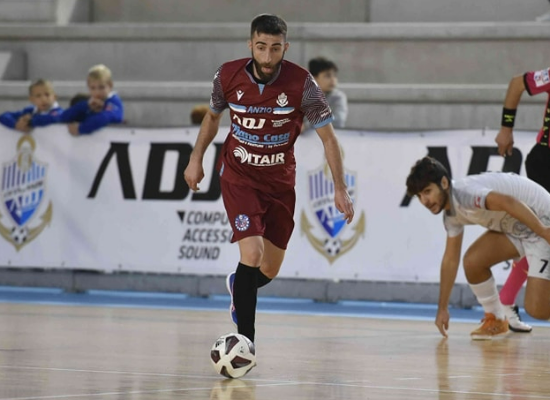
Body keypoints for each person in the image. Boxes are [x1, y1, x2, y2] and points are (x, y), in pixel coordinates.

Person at [183, 14, 355, 344]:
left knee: (269, 268)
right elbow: (212, 118)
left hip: (279, 183)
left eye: (275, 48)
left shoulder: (303, 84)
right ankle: (245, 344)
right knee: (252, 254)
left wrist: (339, 188)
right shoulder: (227, 75)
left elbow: (329, 138)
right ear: (250, 44)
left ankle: (239, 285)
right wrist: (196, 158)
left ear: (285, 48)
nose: (267, 56)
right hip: (239, 177)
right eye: (261, 47)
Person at [406, 156, 550, 340]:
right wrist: (442, 308)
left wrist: (543, 231)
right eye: (419, 196)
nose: (425, 201)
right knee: (472, 262)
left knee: (537, 309)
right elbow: (450, 260)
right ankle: (496, 319)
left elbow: (509, 202)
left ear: (444, 183)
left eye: (427, 191)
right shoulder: (450, 216)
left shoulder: (465, 194)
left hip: (542, 219)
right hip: (519, 228)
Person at [494, 66, 550, 331]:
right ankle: (504, 301)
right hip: (546, 161)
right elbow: (517, 84)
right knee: (540, 235)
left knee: (538, 237)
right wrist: (506, 129)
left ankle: (505, 300)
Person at [32, 64, 124, 135]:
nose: (97, 92)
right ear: (88, 88)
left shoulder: (114, 102)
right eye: (93, 88)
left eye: (101, 87)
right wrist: (86, 105)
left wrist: (81, 128)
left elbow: (104, 118)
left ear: (110, 85)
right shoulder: (88, 103)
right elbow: (63, 117)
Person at [302, 56, 348, 131]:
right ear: (314, 78)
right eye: (327, 76)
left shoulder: (338, 97)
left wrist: (306, 126)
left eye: (334, 76)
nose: (333, 80)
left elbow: (338, 121)